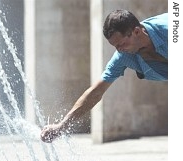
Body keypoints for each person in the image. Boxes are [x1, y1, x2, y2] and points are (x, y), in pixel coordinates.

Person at [40, 9, 168, 143]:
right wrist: (61, 126)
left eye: (122, 44)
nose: (119, 50)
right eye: (115, 46)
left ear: (136, 32)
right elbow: (96, 92)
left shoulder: (169, 30)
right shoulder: (123, 56)